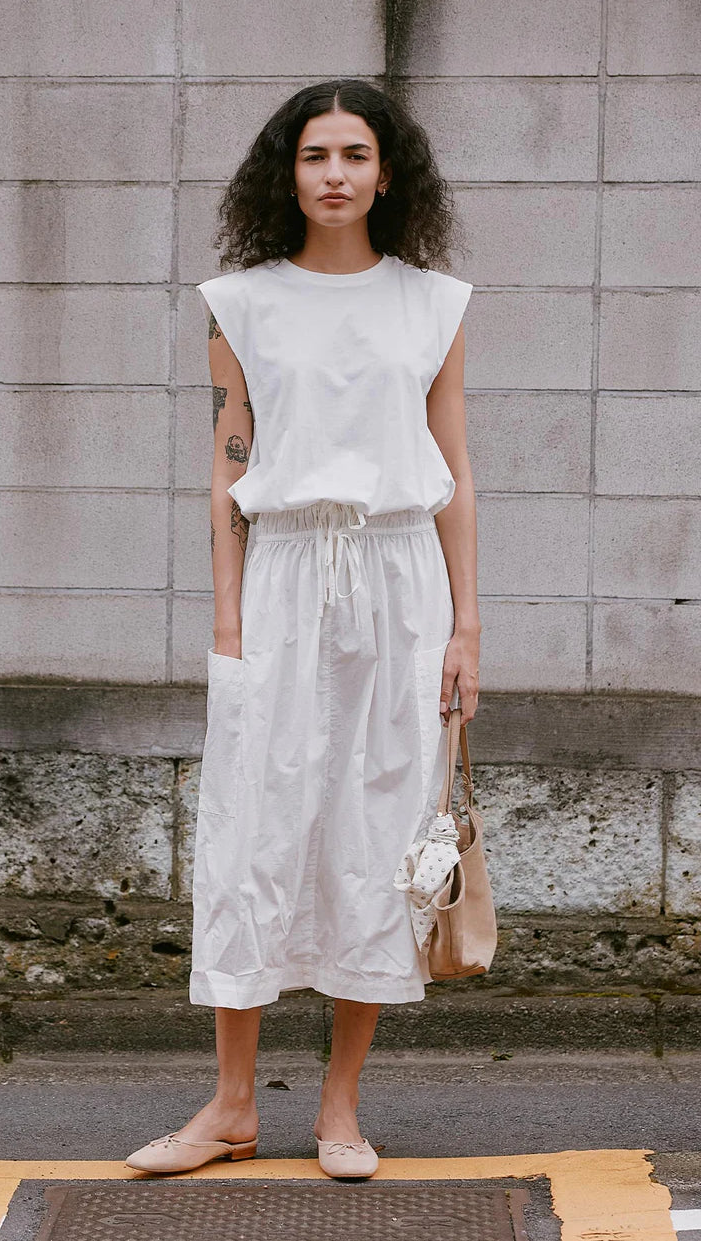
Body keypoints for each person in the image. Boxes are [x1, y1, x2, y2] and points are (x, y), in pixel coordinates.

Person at [126, 77, 481, 1180]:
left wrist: (466, 625)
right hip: (280, 576)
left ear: (388, 171)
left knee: (378, 837)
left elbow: (456, 472)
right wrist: (228, 623)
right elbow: (229, 462)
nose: (335, 173)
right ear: (287, 170)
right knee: (252, 833)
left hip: (398, 581)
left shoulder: (434, 302)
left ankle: (339, 1106)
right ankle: (231, 1104)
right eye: (315, 153)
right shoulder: (241, 301)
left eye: (355, 154)